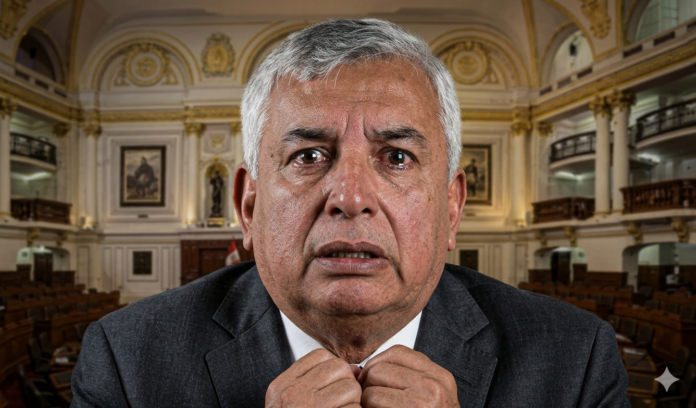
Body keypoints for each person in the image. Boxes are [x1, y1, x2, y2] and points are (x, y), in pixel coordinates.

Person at [71, 19, 629, 407]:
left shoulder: (574, 359)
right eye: (309, 156)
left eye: (397, 157)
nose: (351, 196)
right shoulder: (128, 361)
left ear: (452, 207)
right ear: (249, 205)